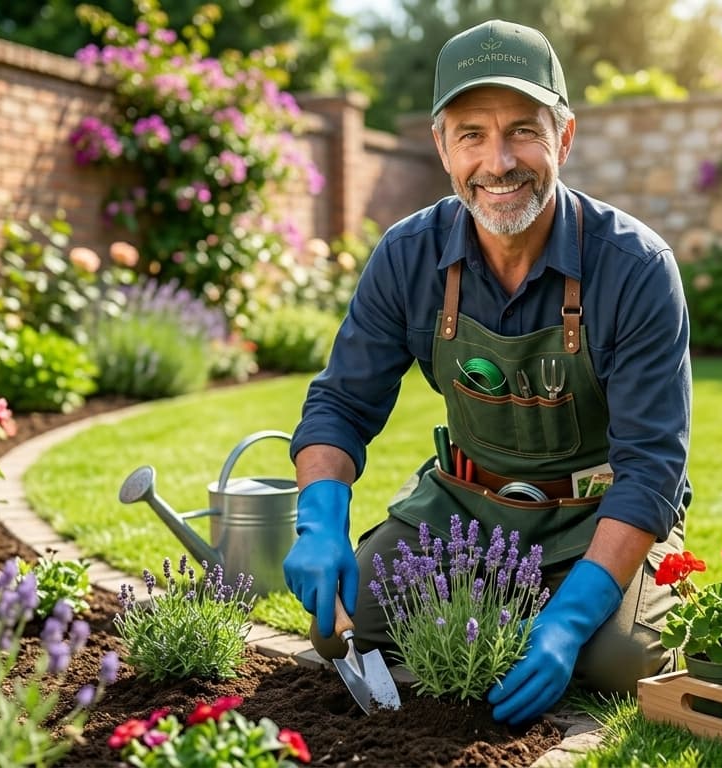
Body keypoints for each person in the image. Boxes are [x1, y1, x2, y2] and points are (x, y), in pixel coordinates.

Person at [282, 18, 691, 725]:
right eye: (471, 134)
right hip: (466, 508)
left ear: (564, 138)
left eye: (523, 131)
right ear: (441, 147)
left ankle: (563, 601)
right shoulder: (407, 256)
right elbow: (340, 407)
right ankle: (510, 593)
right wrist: (319, 519)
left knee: (620, 660)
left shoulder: (635, 268)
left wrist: (570, 622)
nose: (499, 162)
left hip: (595, 511)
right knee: (339, 622)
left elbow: (652, 467)